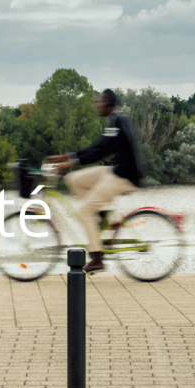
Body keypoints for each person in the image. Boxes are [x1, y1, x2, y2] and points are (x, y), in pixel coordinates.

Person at [49, 89, 145, 274]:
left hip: (126, 177)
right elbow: (98, 146)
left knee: (84, 210)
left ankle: (97, 258)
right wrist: (65, 157)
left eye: (100, 102)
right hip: (116, 171)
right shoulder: (114, 121)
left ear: (109, 104)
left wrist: (67, 162)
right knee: (73, 179)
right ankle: (101, 214)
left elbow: (99, 153)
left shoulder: (117, 123)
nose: (97, 105)